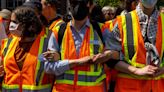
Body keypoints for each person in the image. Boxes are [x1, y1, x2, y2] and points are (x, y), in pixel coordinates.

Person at [42, 0, 119, 92]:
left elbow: (118, 54)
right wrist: (78, 62)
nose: (78, 7)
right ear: (69, 5)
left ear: (90, 6)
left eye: (83, 2)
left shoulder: (101, 30)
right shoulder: (59, 31)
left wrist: (108, 55)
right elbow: (48, 67)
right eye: (74, 2)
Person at [104, 0, 164, 91]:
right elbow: (110, 59)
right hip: (129, 87)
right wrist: (136, 70)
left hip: (158, 87)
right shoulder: (121, 22)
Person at [0, 6, 54, 92]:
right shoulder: (8, 43)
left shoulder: (47, 44)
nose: (11, 25)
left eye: (15, 22)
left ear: (28, 25)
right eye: (11, 21)